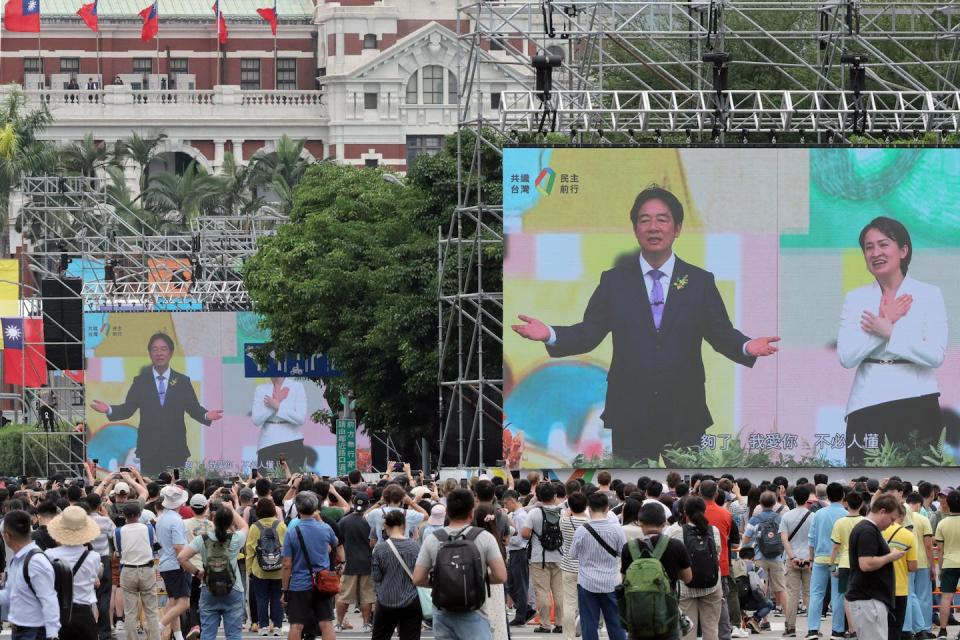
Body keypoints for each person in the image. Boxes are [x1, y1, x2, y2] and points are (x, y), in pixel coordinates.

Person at [511, 185, 779, 460]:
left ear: (677, 228)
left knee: (690, 494)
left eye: (662, 219)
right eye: (645, 219)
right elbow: (590, 332)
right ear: (635, 228)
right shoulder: (614, 281)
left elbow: (720, 332)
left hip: (685, 412)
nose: (653, 227)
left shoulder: (700, 281)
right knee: (632, 494)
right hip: (630, 413)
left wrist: (746, 345)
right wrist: (550, 334)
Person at [837, 216, 948, 465]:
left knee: (920, 482)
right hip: (867, 402)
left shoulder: (929, 294)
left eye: (884, 244)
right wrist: (882, 322)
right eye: (868, 247)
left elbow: (935, 354)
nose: (875, 252)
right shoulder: (855, 299)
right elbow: (846, 357)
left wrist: (890, 331)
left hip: (918, 400)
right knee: (864, 483)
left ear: (904, 250)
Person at [89, 332, 224, 474]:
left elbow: (193, 408)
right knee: (152, 487)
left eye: (163, 349)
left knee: (176, 487)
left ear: (171, 353)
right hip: (149, 451)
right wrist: (108, 409)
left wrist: (207, 415)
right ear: (149, 353)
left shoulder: (183, 381)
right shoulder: (140, 381)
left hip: (176, 449)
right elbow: (128, 409)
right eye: (155, 349)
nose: (159, 353)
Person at [412, 488, 508, 640]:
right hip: (474, 612)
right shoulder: (484, 538)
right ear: (472, 513)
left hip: (443, 612)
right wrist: (474, 580)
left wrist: (443, 583)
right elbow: (501, 576)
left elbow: (417, 578)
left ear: (447, 513)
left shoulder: (433, 539)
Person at [620, 502, 693, 640]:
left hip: (637, 617)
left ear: (640, 523)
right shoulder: (676, 546)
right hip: (667, 617)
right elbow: (688, 578)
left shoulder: (628, 548)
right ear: (664, 523)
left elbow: (624, 581)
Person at [178, 504, 249, 640]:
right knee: (234, 634)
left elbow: (182, 557)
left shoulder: (202, 539)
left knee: (208, 634)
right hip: (234, 588)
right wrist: (232, 510)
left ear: (213, 521)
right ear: (230, 522)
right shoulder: (235, 539)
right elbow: (245, 526)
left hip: (209, 587)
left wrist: (197, 572)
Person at [281, 491, 342, 640]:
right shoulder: (325, 528)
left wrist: (285, 589)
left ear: (298, 508)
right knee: (326, 623)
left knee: (297, 624)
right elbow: (335, 544)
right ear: (315, 508)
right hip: (323, 582)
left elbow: (287, 564)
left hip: (299, 584)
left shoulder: (292, 532)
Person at [569, 492, 627, 640]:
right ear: (607, 509)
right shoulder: (617, 530)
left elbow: (572, 554)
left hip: (587, 582)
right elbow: (623, 553)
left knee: (589, 624)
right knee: (615, 623)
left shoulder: (582, 530)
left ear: (589, 509)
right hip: (611, 582)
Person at [846, 493, 906, 640]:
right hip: (868, 600)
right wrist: (890, 557)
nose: (892, 524)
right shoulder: (868, 530)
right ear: (882, 511)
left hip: (869, 598)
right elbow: (866, 564)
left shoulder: (867, 528)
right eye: (892, 519)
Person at [666, 496, 723, 640]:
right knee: (711, 629)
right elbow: (718, 552)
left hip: (686, 586)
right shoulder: (713, 530)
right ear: (704, 511)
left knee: (688, 631)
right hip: (712, 585)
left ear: (684, 512)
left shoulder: (674, 531)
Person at [0, 509, 61, 640]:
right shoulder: (16, 560)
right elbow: (9, 594)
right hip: (21, 631)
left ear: (7, 536)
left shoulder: (35, 561)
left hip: (35, 632)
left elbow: (49, 598)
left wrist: (52, 635)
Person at [45, 505, 104, 640]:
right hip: (84, 612)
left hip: (59, 613)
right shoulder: (93, 557)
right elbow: (95, 579)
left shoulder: (50, 555)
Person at [371, 509, 422, 640]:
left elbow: (376, 577)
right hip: (411, 598)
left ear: (386, 526)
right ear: (404, 525)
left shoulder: (380, 549)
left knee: (380, 636)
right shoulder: (415, 547)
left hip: (386, 599)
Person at [806, 482, 848, 640]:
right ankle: (837, 631)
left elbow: (811, 539)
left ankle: (812, 630)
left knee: (816, 594)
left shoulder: (819, 514)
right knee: (838, 595)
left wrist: (811, 559)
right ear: (843, 496)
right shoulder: (846, 514)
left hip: (819, 559)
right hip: (839, 562)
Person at [522, 481, 565, 633]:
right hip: (560, 556)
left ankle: (545, 624)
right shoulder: (562, 512)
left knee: (542, 591)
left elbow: (525, 534)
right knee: (559, 591)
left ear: (538, 497)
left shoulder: (534, 512)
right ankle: (560, 624)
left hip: (539, 557)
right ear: (554, 495)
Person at [115, 500, 160, 640]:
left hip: (128, 570)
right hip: (147, 569)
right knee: (151, 611)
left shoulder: (118, 531)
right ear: (140, 514)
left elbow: (118, 553)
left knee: (130, 612)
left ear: (123, 515)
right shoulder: (149, 529)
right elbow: (156, 546)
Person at [155, 485, 194, 640]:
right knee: (183, 603)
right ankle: (156, 629)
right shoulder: (176, 520)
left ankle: (178, 636)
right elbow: (179, 547)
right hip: (177, 564)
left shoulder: (162, 518)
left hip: (166, 563)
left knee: (174, 601)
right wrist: (187, 565)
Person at [245, 496, 286, 636]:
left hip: (259, 569)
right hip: (279, 569)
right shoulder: (281, 525)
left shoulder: (254, 527)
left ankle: (263, 627)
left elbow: (249, 550)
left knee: (261, 598)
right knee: (277, 597)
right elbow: (286, 547)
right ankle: (278, 627)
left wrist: (249, 569)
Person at [779, 485, 816, 638]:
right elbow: (814, 540)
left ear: (794, 498)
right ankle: (812, 628)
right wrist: (810, 558)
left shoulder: (787, 516)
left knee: (792, 594)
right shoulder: (814, 516)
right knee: (809, 594)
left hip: (791, 559)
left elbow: (784, 539)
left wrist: (792, 557)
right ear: (807, 498)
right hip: (809, 560)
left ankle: (790, 628)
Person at [742, 491, 786, 616]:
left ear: (760, 503)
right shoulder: (780, 518)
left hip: (759, 556)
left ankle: (763, 619)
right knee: (781, 588)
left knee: (761, 587)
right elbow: (785, 537)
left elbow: (746, 539)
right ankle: (789, 621)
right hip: (777, 557)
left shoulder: (755, 519)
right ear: (774, 503)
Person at [251, 377, 308, 470]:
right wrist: (276, 402)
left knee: (294, 478)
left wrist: (277, 406)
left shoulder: (297, 387)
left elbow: (301, 418)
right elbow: (256, 420)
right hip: (267, 442)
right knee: (267, 480)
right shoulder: (261, 389)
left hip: (292, 440)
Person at [335, 493, 373, 632]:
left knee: (344, 596)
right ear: (367, 504)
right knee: (367, 596)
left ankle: (338, 624)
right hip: (367, 563)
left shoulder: (344, 521)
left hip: (350, 563)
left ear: (353, 501)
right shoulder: (370, 521)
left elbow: (338, 542)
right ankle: (365, 624)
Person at [882, 504, 917, 640]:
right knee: (895, 629)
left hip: (880, 588)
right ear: (901, 516)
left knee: (879, 628)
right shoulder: (908, 535)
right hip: (900, 588)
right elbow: (913, 566)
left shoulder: (878, 531)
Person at [86, 492, 117, 640]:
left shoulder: (82, 521)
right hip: (103, 560)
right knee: (104, 596)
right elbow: (115, 534)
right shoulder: (105, 521)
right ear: (99, 506)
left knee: (84, 596)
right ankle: (104, 633)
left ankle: (89, 631)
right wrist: (107, 516)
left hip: (85, 559)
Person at [560, 491, 590, 640]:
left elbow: (566, 514)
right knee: (587, 604)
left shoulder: (563, 521)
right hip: (586, 568)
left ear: (570, 506)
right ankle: (585, 631)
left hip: (567, 566)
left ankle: (568, 636)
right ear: (586, 506)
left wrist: (569, 510)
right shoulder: (590, 523)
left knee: (569, 604)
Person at [183, 493, 214, 634]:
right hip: (208, 568)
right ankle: (204, 627)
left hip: (191, 568)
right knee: (206, 602)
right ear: (206, 507)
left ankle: (194, 625)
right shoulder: (211, 525)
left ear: (191, 507)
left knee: (193, 600)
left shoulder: (184, 524)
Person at [503, 489, 533, 626]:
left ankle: (521, 615)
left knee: (519, 585)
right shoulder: (515, 514)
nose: (506, 506)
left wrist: (508, 540)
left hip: (519, 551)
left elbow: (521, 537)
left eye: (506, 503)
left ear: (511, 501)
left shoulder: (520, 516)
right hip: (515, 552)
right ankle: (524, 609)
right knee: (511, 584)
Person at [934, 491, 960, 638]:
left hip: (949, 563)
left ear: (947, 504)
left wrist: (941, 568)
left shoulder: (942, 524)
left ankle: (943, 631)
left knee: (946, 597)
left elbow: (940, 550)